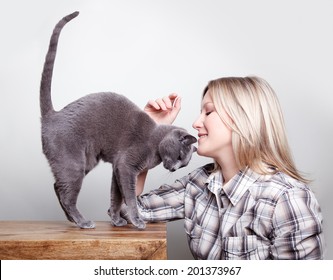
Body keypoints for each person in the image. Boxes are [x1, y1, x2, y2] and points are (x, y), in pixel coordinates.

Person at [126, 76, 325, 260]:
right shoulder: (197, 185)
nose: (196, 123)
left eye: (209, 111)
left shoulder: (287, 199)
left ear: (244, 118)